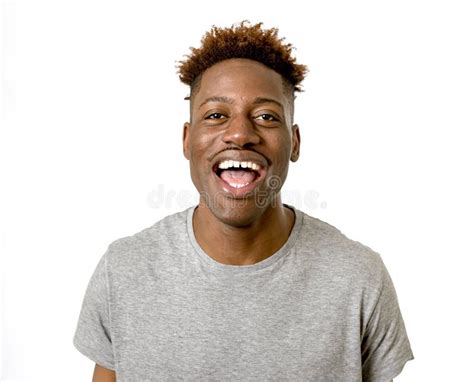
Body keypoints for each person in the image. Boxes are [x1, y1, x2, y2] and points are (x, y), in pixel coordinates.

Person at [73, 21, 414, 381]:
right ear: (188, 140)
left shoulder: (359, 278)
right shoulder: (123, 270)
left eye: (266, 116)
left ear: (294, 142)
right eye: (216, 115)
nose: (239, 133)